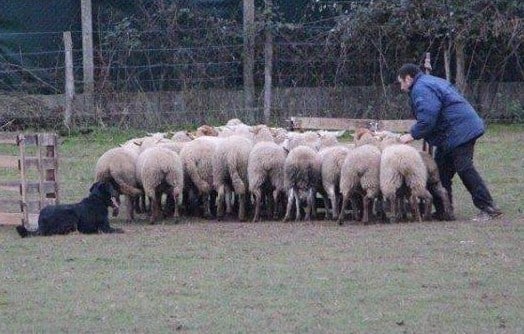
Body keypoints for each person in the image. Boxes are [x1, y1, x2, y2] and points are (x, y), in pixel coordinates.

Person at [396, 63, 502, 221]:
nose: (401, 87)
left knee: (464, 168)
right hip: (453, 131)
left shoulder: (421, 88)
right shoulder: (430, 81)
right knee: (441, 171)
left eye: (401, 82)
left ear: (408, 78)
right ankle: (444, 211)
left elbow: (428, 118)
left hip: (460, 130)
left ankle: (488, 207)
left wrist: (411, 135)